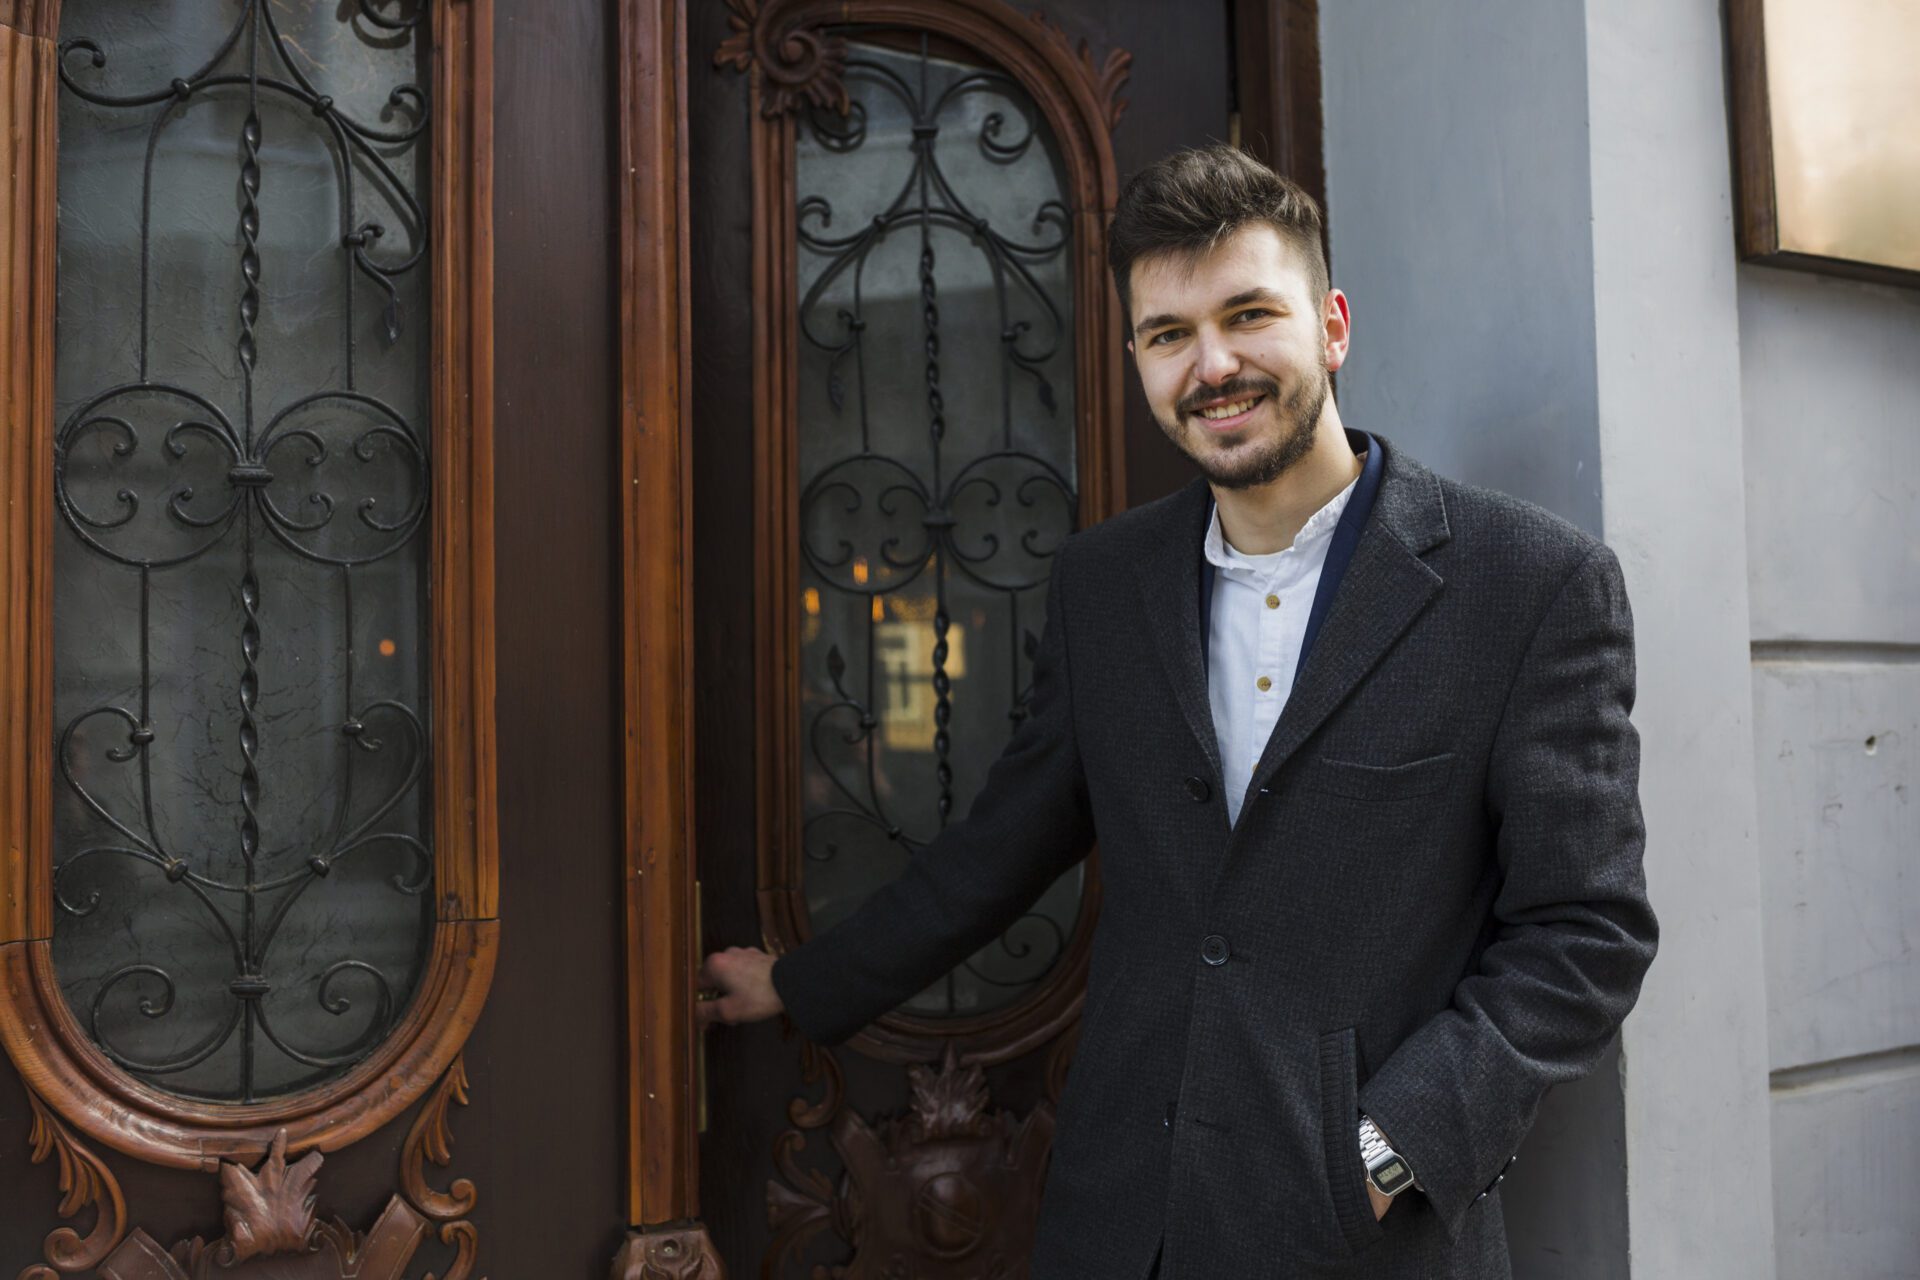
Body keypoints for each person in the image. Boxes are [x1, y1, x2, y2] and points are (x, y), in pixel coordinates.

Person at [698, 144, 1658, 1279]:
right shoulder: (1104, 586)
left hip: (1367, 1238)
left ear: (1333, 324)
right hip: (1122, 1218)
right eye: (1168, 334)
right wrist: (806, 982)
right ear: (1139, 359)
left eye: (1248, 314)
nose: (1213, 365)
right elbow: (1004, 844)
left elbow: (1585, 931)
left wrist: (1391, 1148)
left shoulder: (1531, 584)